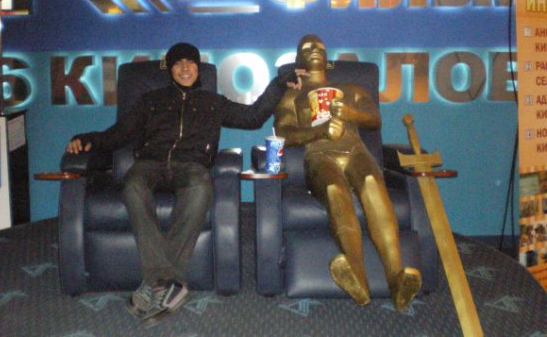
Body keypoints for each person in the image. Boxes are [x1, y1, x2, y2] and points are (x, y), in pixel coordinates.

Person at [66, 42, 298, 326]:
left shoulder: (213, 102)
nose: (185, 67)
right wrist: (88, 139)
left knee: (200, 188)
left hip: (191, 166)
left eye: (190, 62)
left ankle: (156, 282)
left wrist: (278, 84)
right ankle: (167, 280)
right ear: (171, 69)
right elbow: (118, 134)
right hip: (150, 164)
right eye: (178, 63)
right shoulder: (151, 101)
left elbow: (252, 117)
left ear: (198, 68)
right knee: (132, 186)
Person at [273, 34, 422, 312]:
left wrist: (352, 114)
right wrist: (318, 131)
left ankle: (396, 277)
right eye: (307, 47)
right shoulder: (293, 95)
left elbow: (374, 119)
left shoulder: (351, 88)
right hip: (319, 154)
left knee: (371, 182)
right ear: (298, 59)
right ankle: (356, 274)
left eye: (319, 47)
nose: (315, 49)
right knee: (334, 189)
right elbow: (283, 131)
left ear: (327, 57)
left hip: (355, 150)